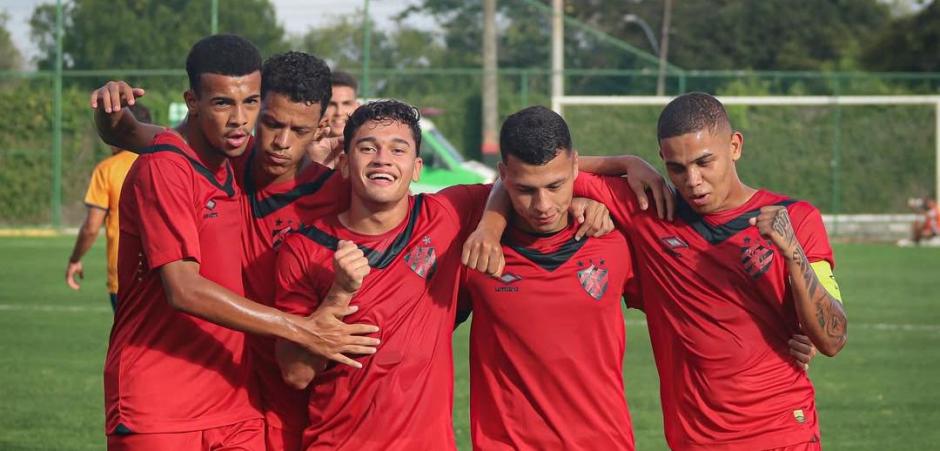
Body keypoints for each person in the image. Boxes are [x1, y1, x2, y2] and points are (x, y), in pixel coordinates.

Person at [90, 35, 377, 451]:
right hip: (159, 403)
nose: (240, 120)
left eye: (251, 103)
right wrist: (304, 330)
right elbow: (183, 290)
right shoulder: (169, 166)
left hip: (235, 403)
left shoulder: (238, 162)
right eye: (224, 103)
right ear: (193, 101)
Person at [573, 92, 847, 450]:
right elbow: (548, 170)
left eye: (705, 162)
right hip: (695, 440)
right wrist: (626, 162)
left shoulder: (796, 218)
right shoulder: (650, 210)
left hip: (783, 433)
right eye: (677, 168)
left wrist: (793, 253)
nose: (693, 180)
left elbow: (833, 339)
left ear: (734, 146)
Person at [457, 106, 637, 450]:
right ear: (503, 175)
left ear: (575, 167)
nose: (543, 204)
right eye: (526, 189)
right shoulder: (475, 251)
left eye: (556, 186)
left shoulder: (616, 238)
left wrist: (630, 162)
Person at [65, 104, 151, 311]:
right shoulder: (168, 161)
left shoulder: (107, 169)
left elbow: (91, 227)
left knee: (129, 343)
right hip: (165, 273)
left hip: (124, 276)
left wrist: (75, 259)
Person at [306, 70, 359, 168]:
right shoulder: (302, 149)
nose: (339, 112)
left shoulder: (370, 150)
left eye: (346, 103)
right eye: (331, 104)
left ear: (357, 106)